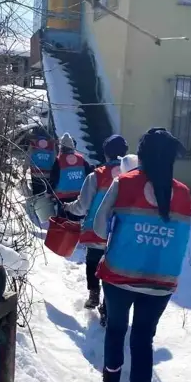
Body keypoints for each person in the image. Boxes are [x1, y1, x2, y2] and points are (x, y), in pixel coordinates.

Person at [93, 128, 191, 382]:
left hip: (119, 275)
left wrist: (120, 239)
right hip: (161, 282)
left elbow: (99, 226)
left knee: (116, 328)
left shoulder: (123, 183)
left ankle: (111, 378)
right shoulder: (185, 194)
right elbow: (181, 239)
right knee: (143, 339)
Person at [63, 134, 129, 317]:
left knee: (93, 262)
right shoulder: (131, 176)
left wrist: (68, 207)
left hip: (96, 231)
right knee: (113, 267)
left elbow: (82, 206)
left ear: (105, 153)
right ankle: (108, 306)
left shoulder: (96, 176)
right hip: (121, 231)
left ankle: (93, 294)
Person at [50, 133, 90, 204]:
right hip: (80, 196)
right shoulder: (81, 159)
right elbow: (89, 175)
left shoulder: (59, 161)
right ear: (72, 146)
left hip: (63, 198)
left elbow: (54, 179)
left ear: (61, 147)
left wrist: (48, 192)